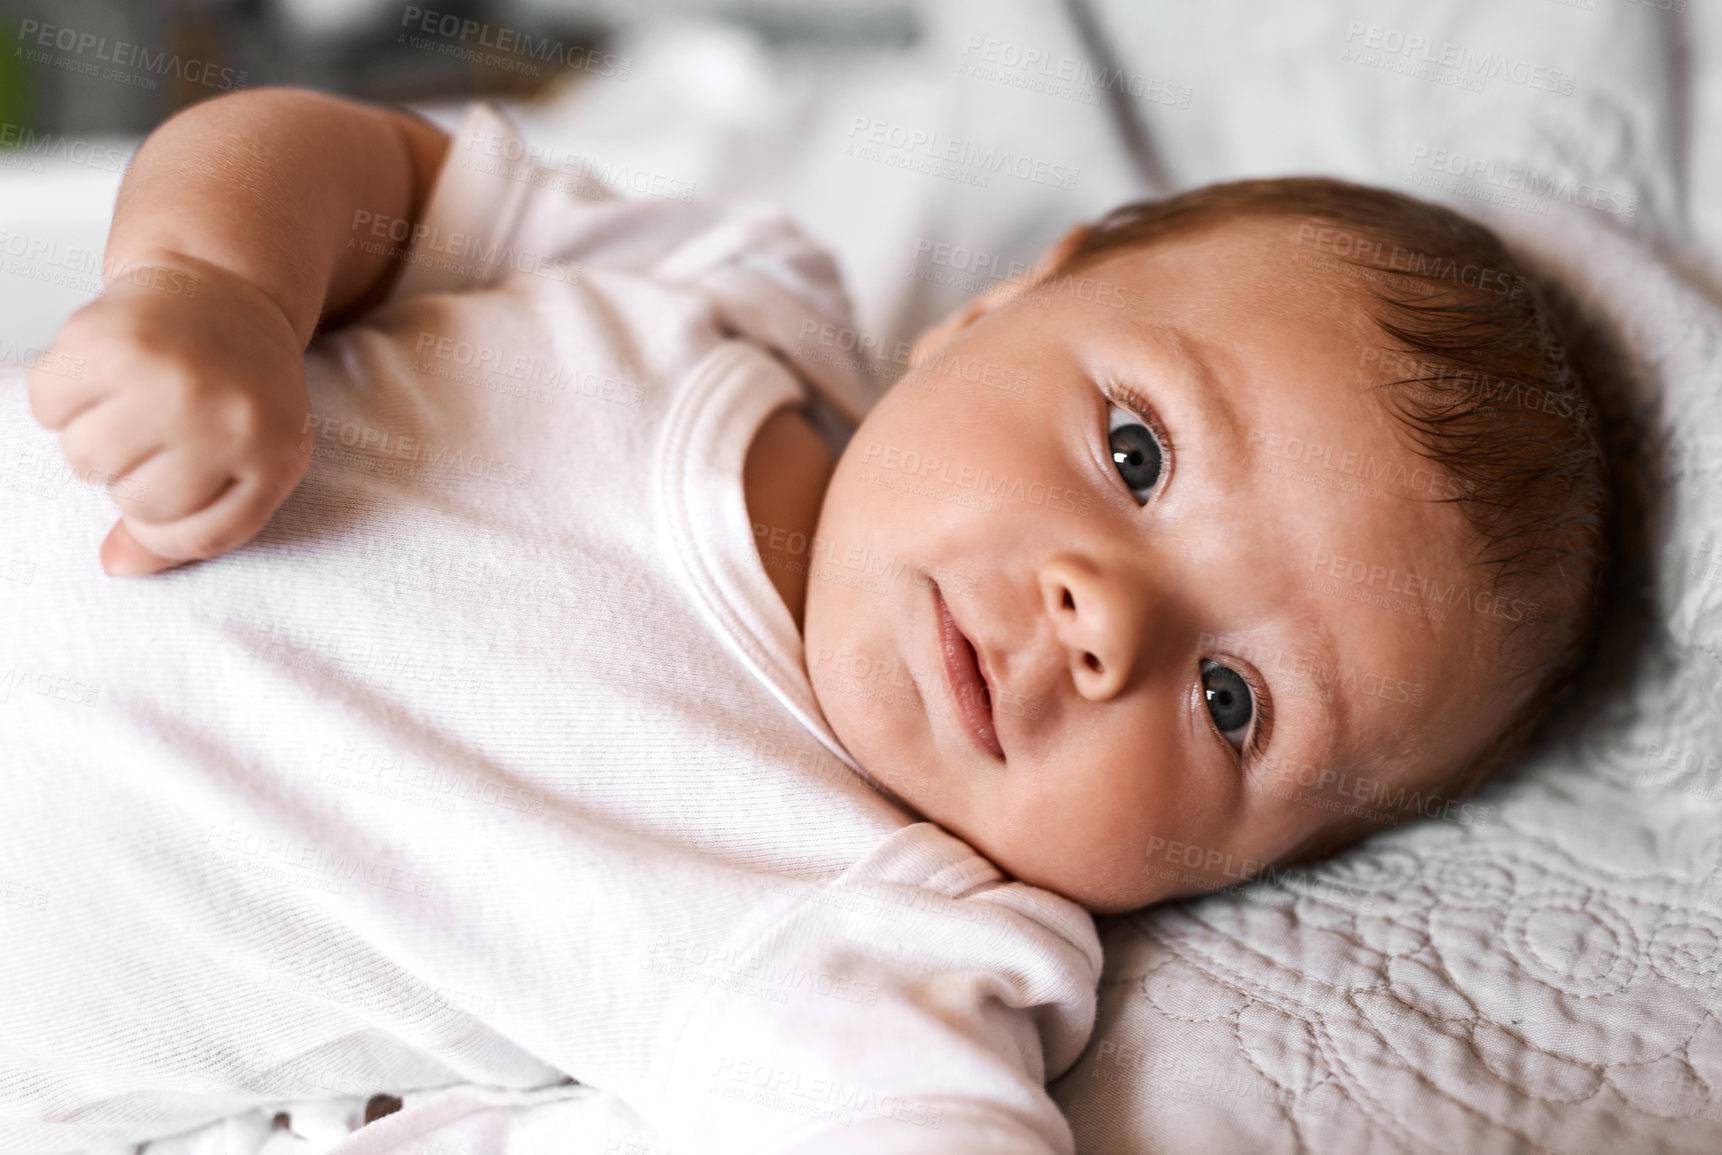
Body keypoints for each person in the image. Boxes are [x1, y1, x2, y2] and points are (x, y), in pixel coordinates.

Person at [2, 86, 1607, 1152]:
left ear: (1240, 874)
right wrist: (217, 285)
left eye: (1235, 702)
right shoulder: (722, 300)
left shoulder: (888, 940)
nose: (1102, 628)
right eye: (1135, 453)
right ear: (995, 311)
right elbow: (362, 174)